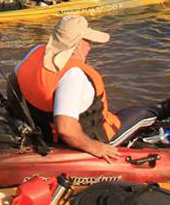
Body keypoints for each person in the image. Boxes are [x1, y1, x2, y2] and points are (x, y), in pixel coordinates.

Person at [7, 16, 121, 160]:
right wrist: (95, 147)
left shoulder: (36, 52)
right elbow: (66, 129)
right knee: (145, 113)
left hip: (43, 131)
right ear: (77, 45)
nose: (90, 47)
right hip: (88, 139)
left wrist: (21, 117)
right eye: (87, 42)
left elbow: (12, 82)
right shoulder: (73, 75)